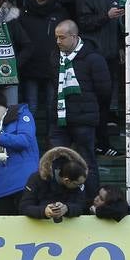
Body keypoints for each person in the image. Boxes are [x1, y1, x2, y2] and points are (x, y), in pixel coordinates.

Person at [52, 19, 111, 201]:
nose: (58, 42)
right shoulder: (55, 57)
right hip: (59, 118)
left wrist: (88, 108)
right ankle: (58, 200)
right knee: (56, 160)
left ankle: (91, 201)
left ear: (74, 37)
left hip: (84, 120)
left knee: (87, 162)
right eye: (56, 38)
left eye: (62, 38)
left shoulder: (94, 59)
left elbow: (104, 91)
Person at [18, 146, 88, 222]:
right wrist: (44, 211)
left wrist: (67, 208)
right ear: (67, 181)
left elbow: (81, 206)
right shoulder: (36, 178)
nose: (80, 186)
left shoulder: (79, 179)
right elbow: (24, 207)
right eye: (77, 184)